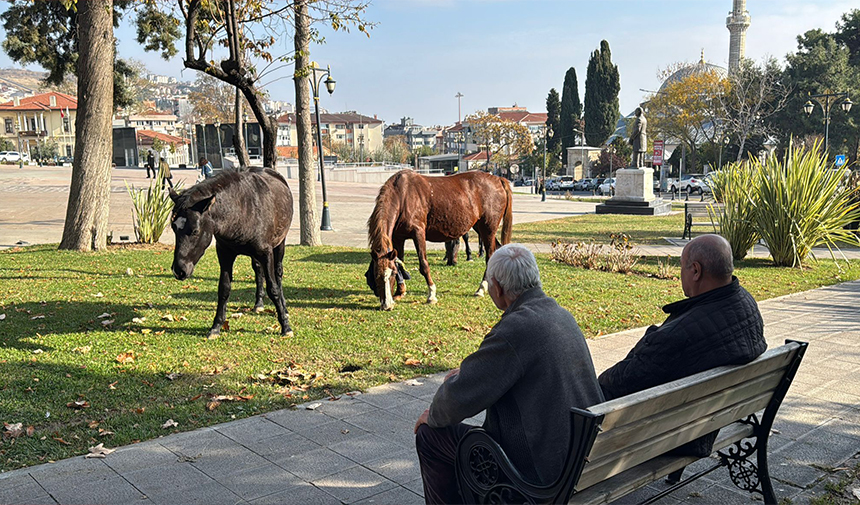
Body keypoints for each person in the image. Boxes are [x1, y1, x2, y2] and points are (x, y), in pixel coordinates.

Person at [414, 243, 604, 505]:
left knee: (430, 436)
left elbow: (455, 401)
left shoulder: (515, 329)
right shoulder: (561, 315)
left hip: (541, 476)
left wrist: (431, 415)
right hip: (582, 458)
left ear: (498, 288)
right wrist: (468, 376)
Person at [598, 234, 766, 459]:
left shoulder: (677, 337)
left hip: (677, 436)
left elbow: (621, 382)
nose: (680, 275)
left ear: (696, 271)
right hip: (707, 420)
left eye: (682, 267)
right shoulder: (745, 302)